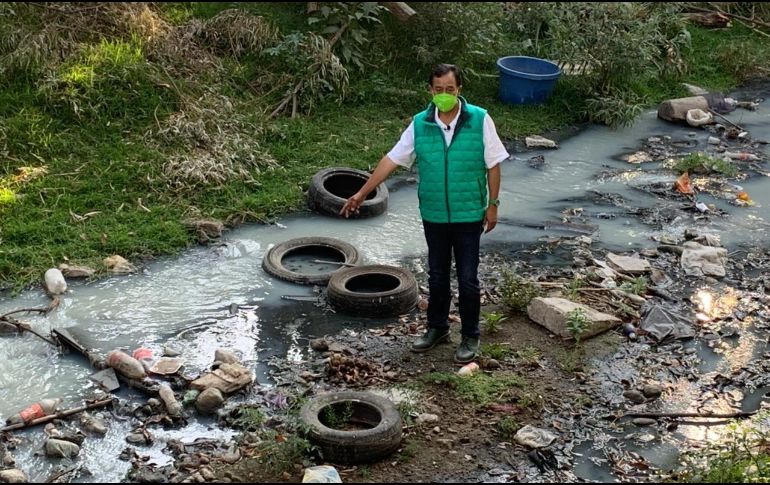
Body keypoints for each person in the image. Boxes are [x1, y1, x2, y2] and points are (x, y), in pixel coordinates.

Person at [340, 63, 509, 363]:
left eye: (450, 90)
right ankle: (437, 328)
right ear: (430, 90)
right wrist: (362, 193)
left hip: (469, 213)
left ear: (459, 90)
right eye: (439, 90)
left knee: (468, 278)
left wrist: (492, 206)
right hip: (434, 213)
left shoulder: (479, 119)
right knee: (437, 275)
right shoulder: (420, 124)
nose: (444, 95)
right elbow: (392, 159)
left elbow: (493, 164)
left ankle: (470, 335)